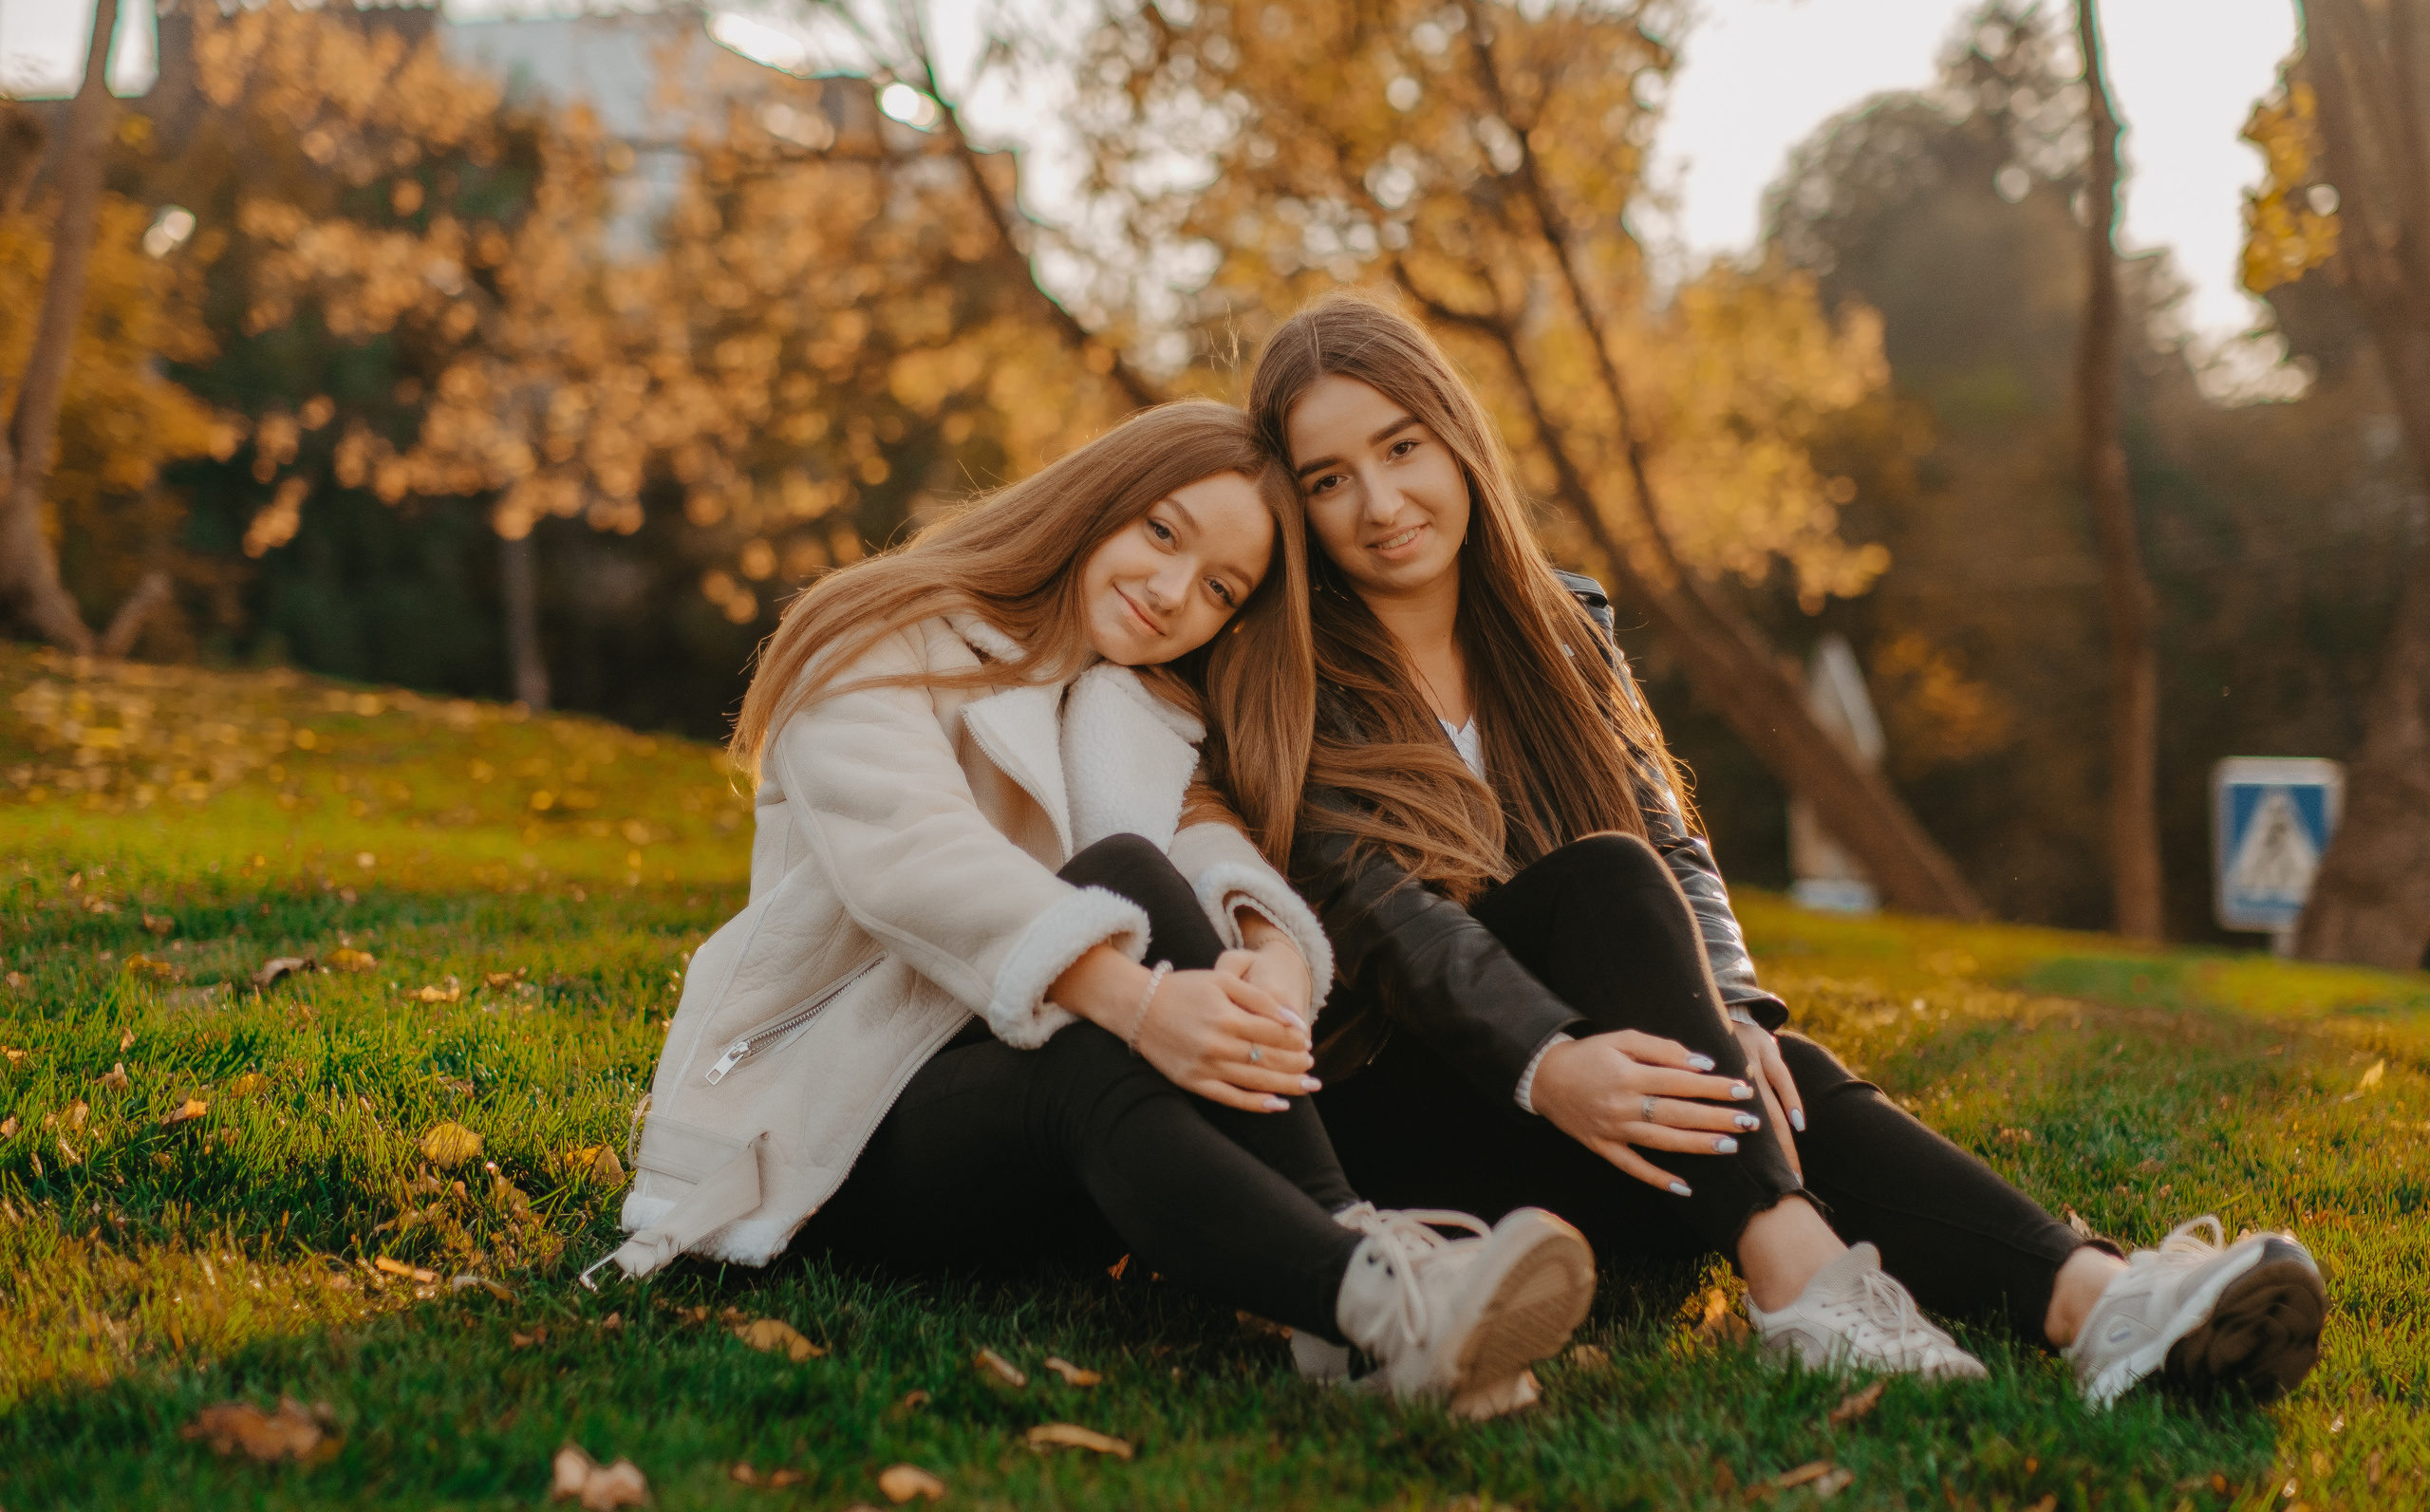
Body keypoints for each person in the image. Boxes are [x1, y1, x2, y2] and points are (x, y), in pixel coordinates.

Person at [1237, 295, 2325, 1405]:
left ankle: (2100, 1306)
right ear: (1295, 504)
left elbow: (1673, 835)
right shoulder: (1284, 674)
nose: (1379, 504)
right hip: (1423, 1135)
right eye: (1328, 479)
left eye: (1400, 448)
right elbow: (1389, 920)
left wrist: (1733, 1014)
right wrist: (1549, 1061)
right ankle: (1800, 1282)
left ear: (1454, 436)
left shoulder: (1564, 624)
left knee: (1773, 1069)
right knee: (1609, 884)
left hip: (1611, 1130)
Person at [589, 400, 1593, 1417]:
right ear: (1097, 499)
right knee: (1096, 1016)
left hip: (1045, 1157)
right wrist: (1139, 1003)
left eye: (1218, 588)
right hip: (831, 1137)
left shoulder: (1136, 704)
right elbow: (910, 855)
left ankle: (1349, 1258)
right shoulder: (880, 630)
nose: (1171, 594)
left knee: (1131, 887)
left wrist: (1271, 951)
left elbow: (1199, 844)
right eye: (1160, 532)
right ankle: (1383, 1306)